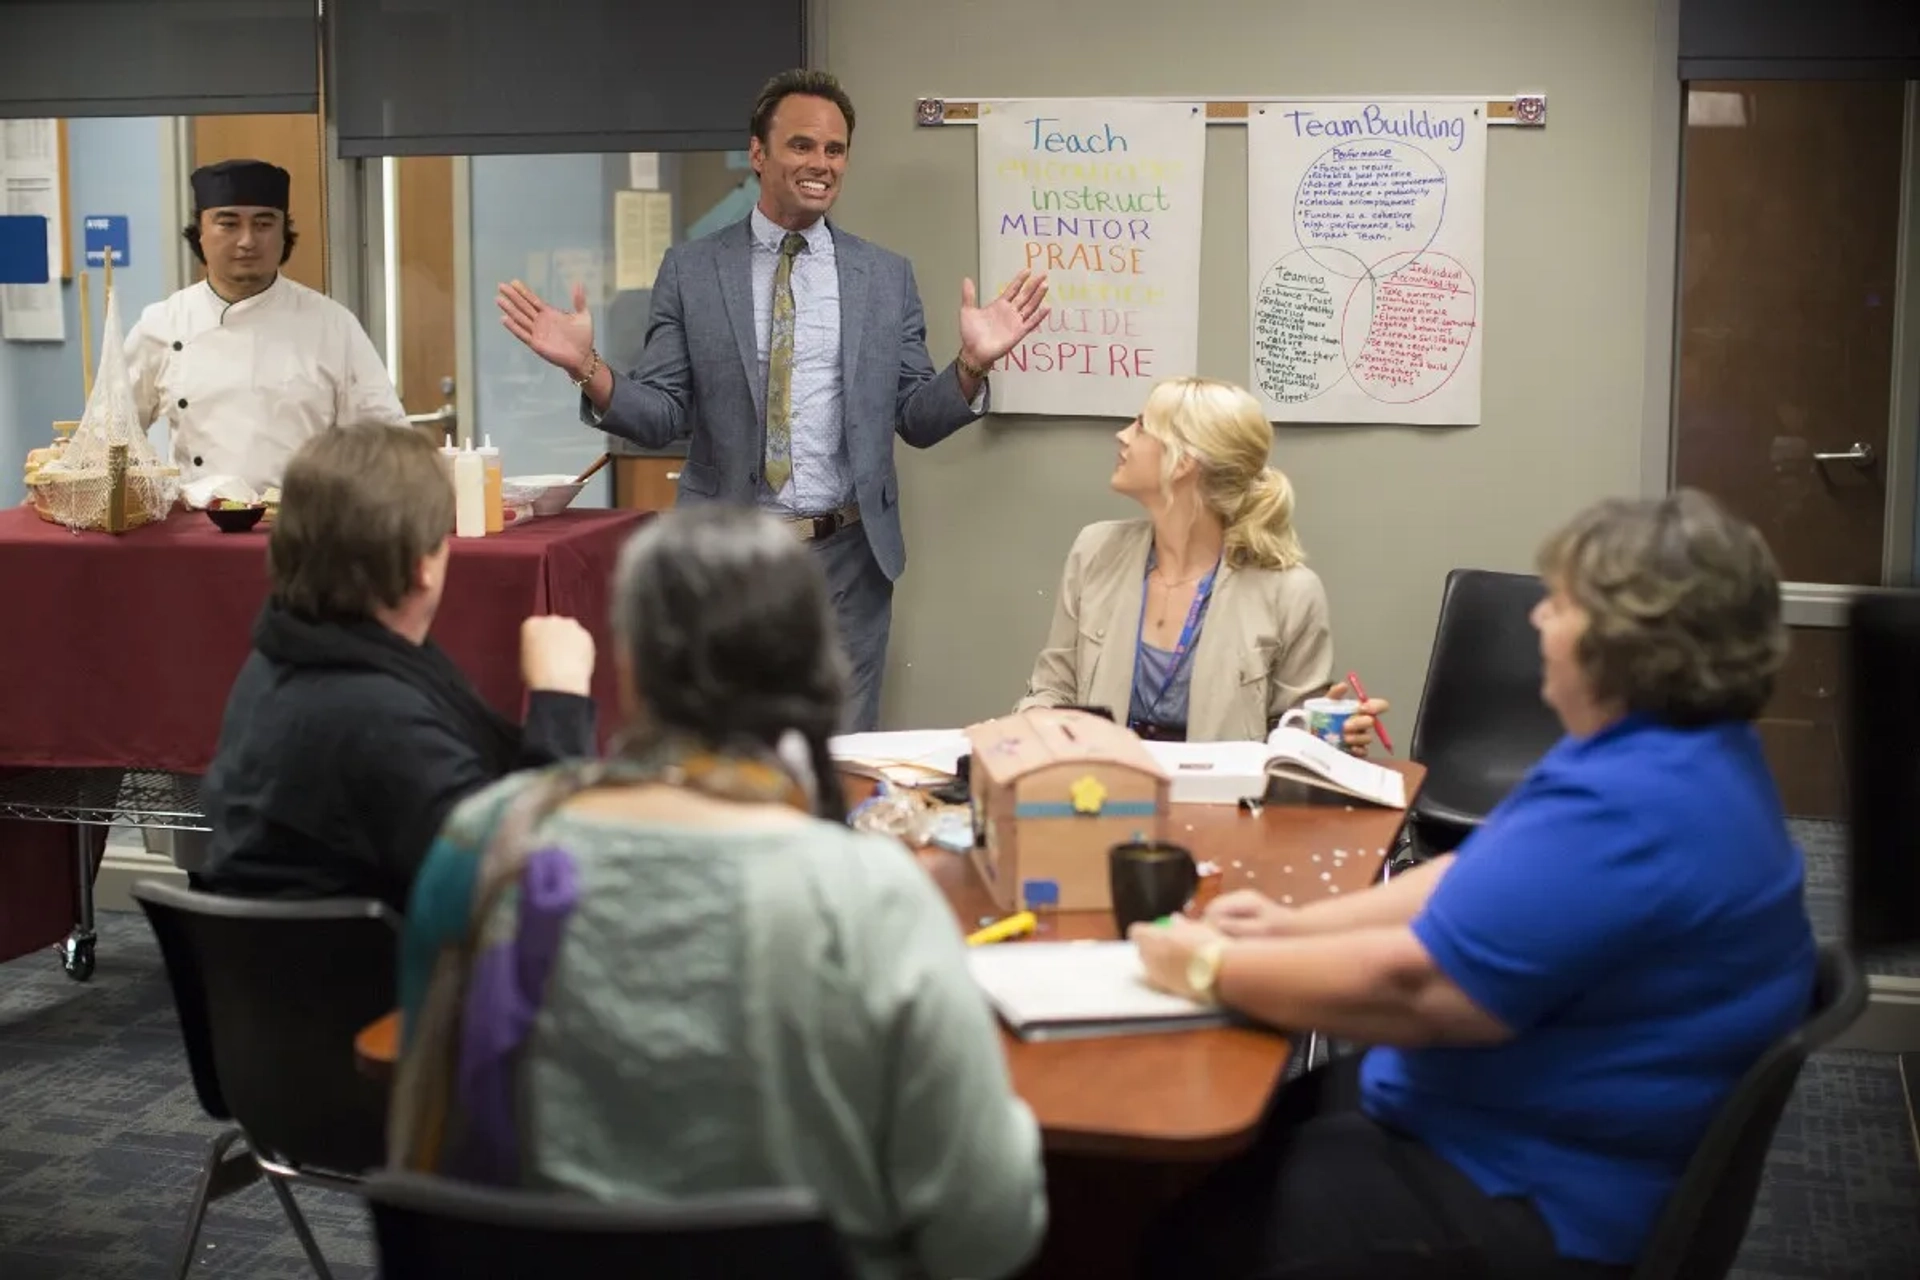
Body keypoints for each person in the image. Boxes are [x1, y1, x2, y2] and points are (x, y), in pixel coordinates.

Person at [1128, 489, 1818, 1279]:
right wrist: (1292, 929)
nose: (1537, 622)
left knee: (1180, 1235)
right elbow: (1472, 874)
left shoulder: (1633, 806)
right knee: (1243, 1137)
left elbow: (1417, 991)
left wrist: (1210, 968)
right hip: (1516, 1121)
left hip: (1534, 1199)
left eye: (1559, 604)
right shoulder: (1666, 750)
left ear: (1623, 642)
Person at [388, 506, 1047, 1280]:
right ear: (821, 671)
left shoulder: (481, 841)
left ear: (629, 668)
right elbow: (985, 1238)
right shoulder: (870, 896)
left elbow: (422, 1129)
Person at [495, 69, 1050, 732]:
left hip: (849, 561)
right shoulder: (693, 270)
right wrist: (586, 367)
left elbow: (915, 419)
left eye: (836, 150)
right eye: (802, 145)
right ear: (758, 154)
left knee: (838, 756)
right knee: (727, 749)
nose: (821, 164)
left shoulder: (884, 277)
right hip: (728, 557)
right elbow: (663, 413)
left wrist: (970, 365)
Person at [197, 425, 597, 915]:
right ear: (421, 565)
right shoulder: (376, 718)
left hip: (293, 978)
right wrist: (561, 701)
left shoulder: (275, 662)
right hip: (380, 981)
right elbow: (529, 886)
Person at [1017, 376, 1384, 746]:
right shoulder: (1096, 550)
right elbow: (1053, 689)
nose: (1122, 436)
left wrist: (1329, 733)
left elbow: (1294, 735)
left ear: (1183, 462)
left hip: (1224, 799)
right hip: (1105, 793)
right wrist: (1031, 725)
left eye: (1141, 426)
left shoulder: (1291, 592)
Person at [124, 158, 408, 493]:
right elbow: (109, 435)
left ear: (283, 234)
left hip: (304, 527)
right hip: (198, 528)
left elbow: (388, 442)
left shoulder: (332, 325)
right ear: (200, 233)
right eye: (228, 224)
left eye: (263, 224)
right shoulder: (162, 323)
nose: (247, 241)